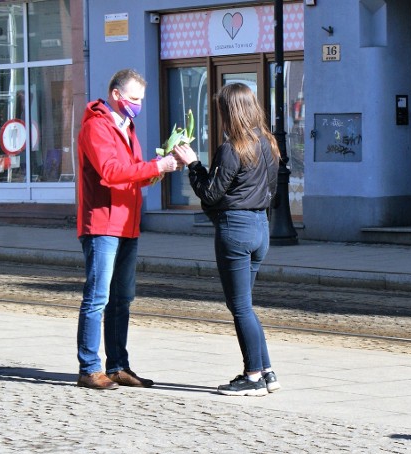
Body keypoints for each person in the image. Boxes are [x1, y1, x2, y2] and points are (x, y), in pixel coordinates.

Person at [172, 83, 281, 397]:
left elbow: (210, 193)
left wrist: (193, 165)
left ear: (229, 112)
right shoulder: (268, 143)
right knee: (246, 305)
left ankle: (253, 375)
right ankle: (268, 371)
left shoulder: (233, 147)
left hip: (236, 229)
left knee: (241, 307)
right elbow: (271, 190)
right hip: (260, 227)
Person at [75, 68, 180, 390]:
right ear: (117, 95)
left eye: (141, 100)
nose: (138, 105)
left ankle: (118, 366)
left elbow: (130, 172)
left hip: (126, 223)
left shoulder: (126, 125)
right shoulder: (97, 126)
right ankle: (89, 368)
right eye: (134, 99)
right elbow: (109, 171)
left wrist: (154, 172)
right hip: (103, 223)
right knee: (98, 298)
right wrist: (153, 167)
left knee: (122, 299)